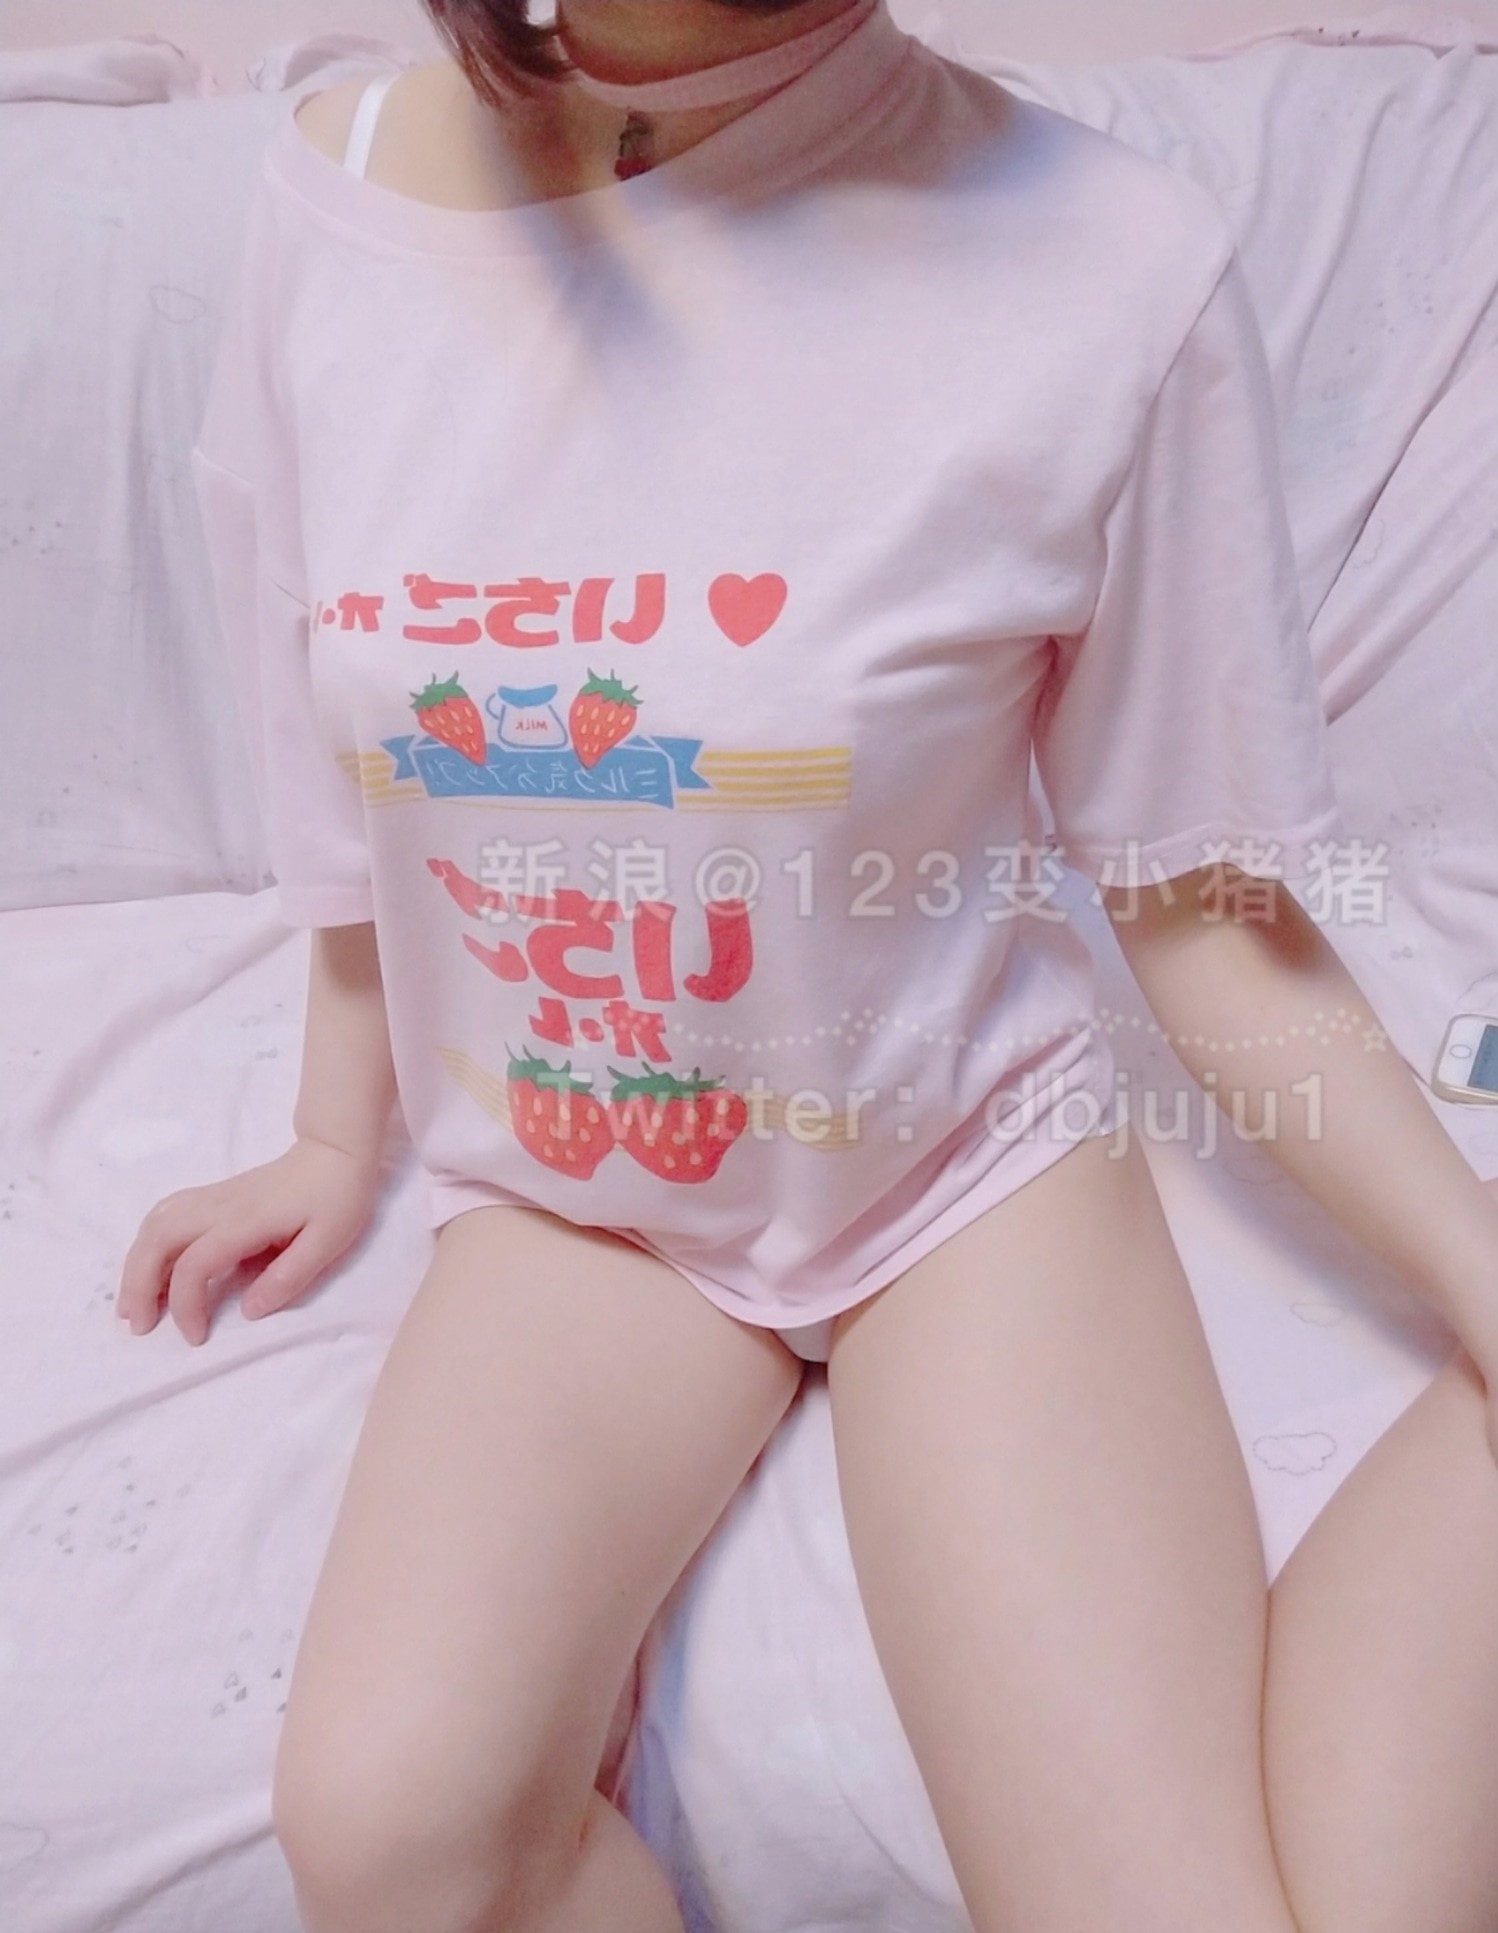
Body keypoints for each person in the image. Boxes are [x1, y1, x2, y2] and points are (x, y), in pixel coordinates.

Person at [117, 2, 1498, 1928]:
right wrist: (333, 1133)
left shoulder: (1106, 266)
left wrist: (1476, 1273)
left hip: (955, 1161)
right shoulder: (332, 199)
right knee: (389, 1826)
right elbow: (333, 738)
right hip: (581, 1185)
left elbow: (1196, 895)